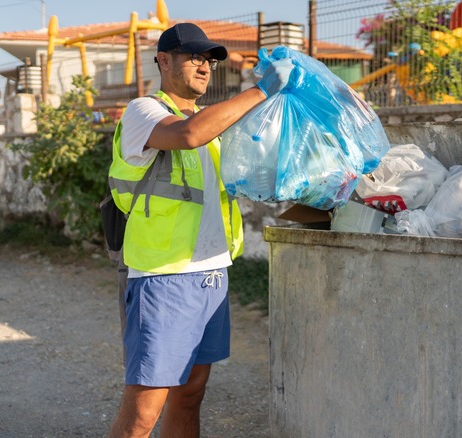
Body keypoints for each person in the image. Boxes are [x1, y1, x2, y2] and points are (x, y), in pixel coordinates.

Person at [105, 22, 293, 437]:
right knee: (144, 410)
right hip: (164, 276)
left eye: (209, 59)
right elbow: (187, 135)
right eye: (194, 56)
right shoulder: (144, 112)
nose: (205, 66)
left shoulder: (214, 127)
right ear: (164, 60)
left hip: (211, 274)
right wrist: (260, 91)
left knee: (191, 393)